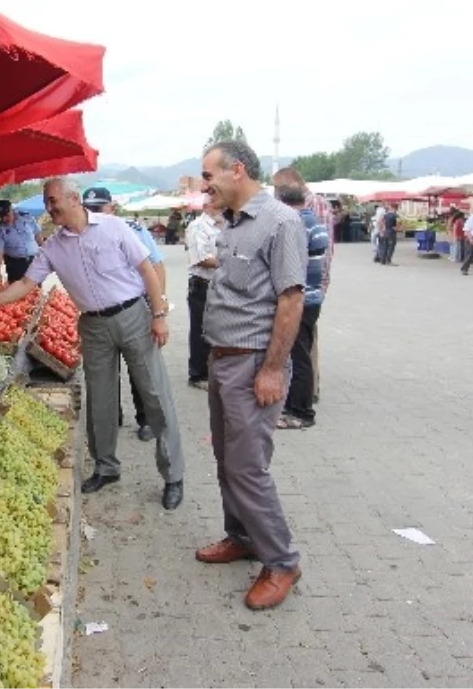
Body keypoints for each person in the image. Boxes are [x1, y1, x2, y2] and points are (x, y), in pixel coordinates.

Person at [0, 178, 185, 509]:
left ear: (74, 199)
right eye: (46, 202)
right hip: (92, 325)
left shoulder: (114, 227)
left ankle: (173, 474)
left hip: (133, 316)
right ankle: (106, 467)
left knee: (155, 394)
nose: (49, 207)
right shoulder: (52, 247)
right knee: (100, 399)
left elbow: (147, 269)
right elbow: (28, 283)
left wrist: (159, 314)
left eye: (52, 200)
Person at [195, 140, 305, 610]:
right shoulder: (233, 224)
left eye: (209, 174)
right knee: (227, 457)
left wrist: (273, 370)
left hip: (252, 362)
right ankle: (240, 536)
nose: (205, 184)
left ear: (236, 170)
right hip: (223, 360)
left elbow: (291, 299)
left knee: (247, 466)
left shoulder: (280, 222)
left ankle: (281, 560)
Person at [82, 185, 165, 442]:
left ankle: (146, 419)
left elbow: (157, 266)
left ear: (111, 207)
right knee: (106, 372)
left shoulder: (134, 230)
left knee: (141, 369)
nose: (96, 213)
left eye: (100, 208)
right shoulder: (80, 233)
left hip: (135, 306)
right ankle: (112, 415)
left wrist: (158, 309)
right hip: (101, 313)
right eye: (91, 208)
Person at [272, 168, 335, 404]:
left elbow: (291, 264)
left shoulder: (296, 223)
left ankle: (300, 405)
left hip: (301, 295)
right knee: (303, 348)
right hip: (312, 291)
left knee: (298, 352)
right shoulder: (313, 217)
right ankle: (304, 395)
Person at [184, 196, 222, 390]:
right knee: (200, 330)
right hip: (202, 283)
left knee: (217, 329)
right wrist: (230, 260)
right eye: (217, 203)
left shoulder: (222, 225)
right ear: (207, 206)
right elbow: (199, 258)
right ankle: (198, 374)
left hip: (220, 283)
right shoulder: (198, 227)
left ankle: (213, 371)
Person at [0, 199, 42, 283]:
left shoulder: (27, 218)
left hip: (34, 261)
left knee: (36, 290)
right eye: (1, 217)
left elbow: (38, 234)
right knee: (17, 292)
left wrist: (45, 252)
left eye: (7, 215)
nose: (4, 219)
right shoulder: (0, 229)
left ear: (12, 209)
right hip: (16, 265)